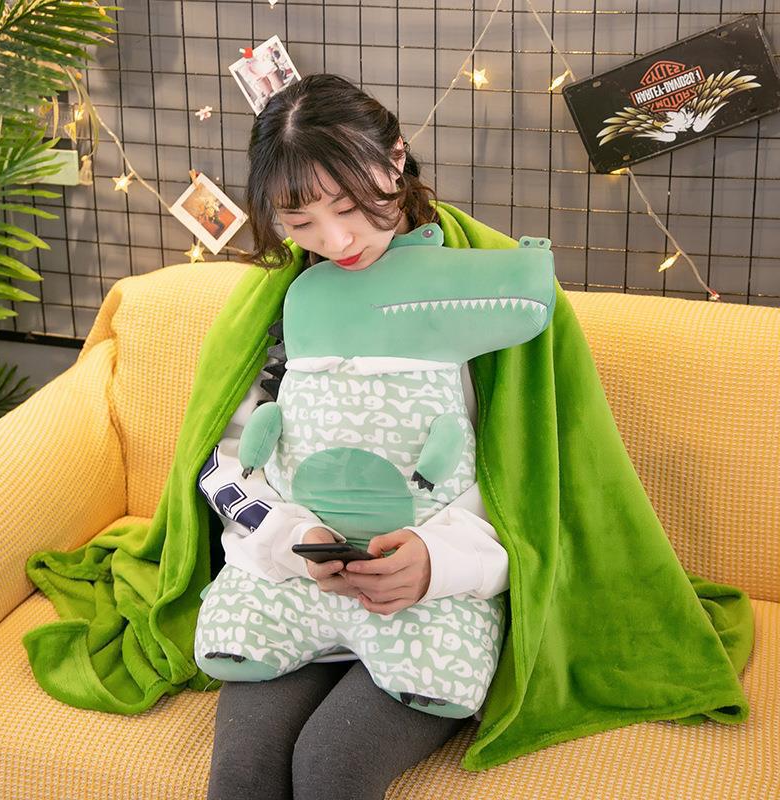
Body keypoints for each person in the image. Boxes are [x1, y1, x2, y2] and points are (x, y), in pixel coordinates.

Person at [197, 73, 511, 800]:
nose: (336, 240)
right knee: (241, 778)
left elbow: (529, 468)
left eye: (349, 206)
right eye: (299, 220)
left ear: (395, 159)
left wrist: (438, 560)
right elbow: (223, 461)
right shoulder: (278, 302)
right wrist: (291, 537)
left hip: (434, 596)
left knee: (331, 768)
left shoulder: (475, 288)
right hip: (291, 586)